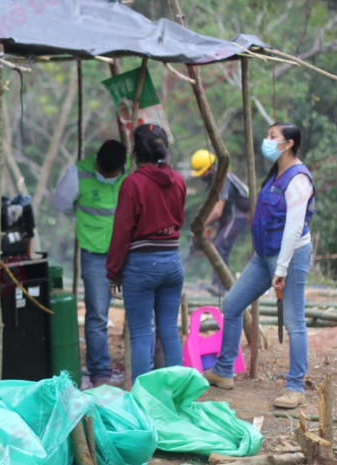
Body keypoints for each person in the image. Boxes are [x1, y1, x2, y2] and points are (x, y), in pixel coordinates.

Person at [203, 122, 314, 409]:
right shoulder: (275, 174)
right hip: (263, 256)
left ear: (288, 143)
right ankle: (224, 370)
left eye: (272, 137)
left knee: (294, 321)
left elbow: (293, 229)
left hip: (290, 256)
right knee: (231, 305)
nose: (266, 141)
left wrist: (281, 269)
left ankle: (295, 386)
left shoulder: (299, 179)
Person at [106, 124, 186, 382]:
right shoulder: (179, 181)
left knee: (141, 333)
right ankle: (177, 394)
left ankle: (143, 400)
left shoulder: (132, 184)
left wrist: (113, 274)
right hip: (173, 262)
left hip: (141, 266)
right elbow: (179, 221)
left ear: (135, 152)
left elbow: (121, 233)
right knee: (169, 330)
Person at [53, 140, 127, 387]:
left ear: (121, 169)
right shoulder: (77, 174)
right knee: (96, 316)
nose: (107, 177)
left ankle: (139, 369)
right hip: (95, 255)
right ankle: (100, 373)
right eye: (103, 173)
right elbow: (62, 204)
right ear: (96, 163)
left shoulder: (130, 178)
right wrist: (83, 220)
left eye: (112, 175)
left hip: (128, 252)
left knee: (141, 314)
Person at [190, 149, 251, 293]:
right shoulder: (215, 182)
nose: (201, 177)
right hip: (228, 218)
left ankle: (222, 286)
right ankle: (217, 283)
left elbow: (217, 211)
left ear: (210, 168)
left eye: (202, 173)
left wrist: (200, 225)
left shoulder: (223, 180)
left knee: (219, 245)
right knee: (216, 246)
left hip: (237, 217)